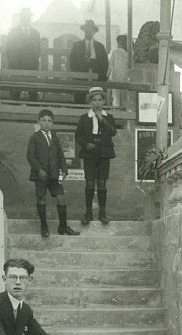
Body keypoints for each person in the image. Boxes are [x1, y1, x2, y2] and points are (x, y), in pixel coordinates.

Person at [27, 109, 79, 238]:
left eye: (49, 121)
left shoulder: (54, 138)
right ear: (38, 121)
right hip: (41, 175)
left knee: (61, 198)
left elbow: (61, 155)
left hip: (54, 174)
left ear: (53, 123)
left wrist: (65, 170)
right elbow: (30, 157)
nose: (46, 123)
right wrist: (39, 170)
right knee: (41, 198)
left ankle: (63, 226)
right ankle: (44, 227)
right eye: (44, 120)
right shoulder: (34, 137)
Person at [76, 87, 116, 225]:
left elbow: (112, 132)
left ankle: (102, 213)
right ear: (90, 102)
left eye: (100, 100)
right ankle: (88, 213)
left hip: (104, 152)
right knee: (90, 182)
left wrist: (102, 119)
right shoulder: (84, 118)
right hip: (90, 153)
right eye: (94, 100)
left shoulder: (108, 117)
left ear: (104, 101)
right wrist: (86, 144)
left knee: (102, 183)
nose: (97, 103)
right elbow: (78, 136)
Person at [5, 8, 41, 101]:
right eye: (24, 17)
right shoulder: (13, 32)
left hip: (32, 69)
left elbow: (38, 51)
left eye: (28, 17)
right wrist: (15, 64)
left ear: (30, 18)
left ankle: (33, 112)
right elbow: (8, 51)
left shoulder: (35, 33)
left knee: (33, 94)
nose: (26, 19)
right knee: (15, 94)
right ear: (21, 18)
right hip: (17, 68)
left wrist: (33, 64)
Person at [69, 20, 109, 103]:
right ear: (84, 31)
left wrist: (97, 76)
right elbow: (72, 63)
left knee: (97, 99)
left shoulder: (99, 46)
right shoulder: (77, 45)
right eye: (86, 30)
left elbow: (105, 64)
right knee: (79, 100)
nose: (88, 32)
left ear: (94, 32)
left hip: (96, 79)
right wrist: (82, 73)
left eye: (91, 30)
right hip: (80, 78)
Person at [108, 34, 128, 107]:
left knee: (116, 98)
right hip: (126, 78)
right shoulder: (131, 53)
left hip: (116, 78)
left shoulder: (115, 52)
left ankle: (117, 113)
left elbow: (109, 65)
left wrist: (107, 77)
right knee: (125, 98)